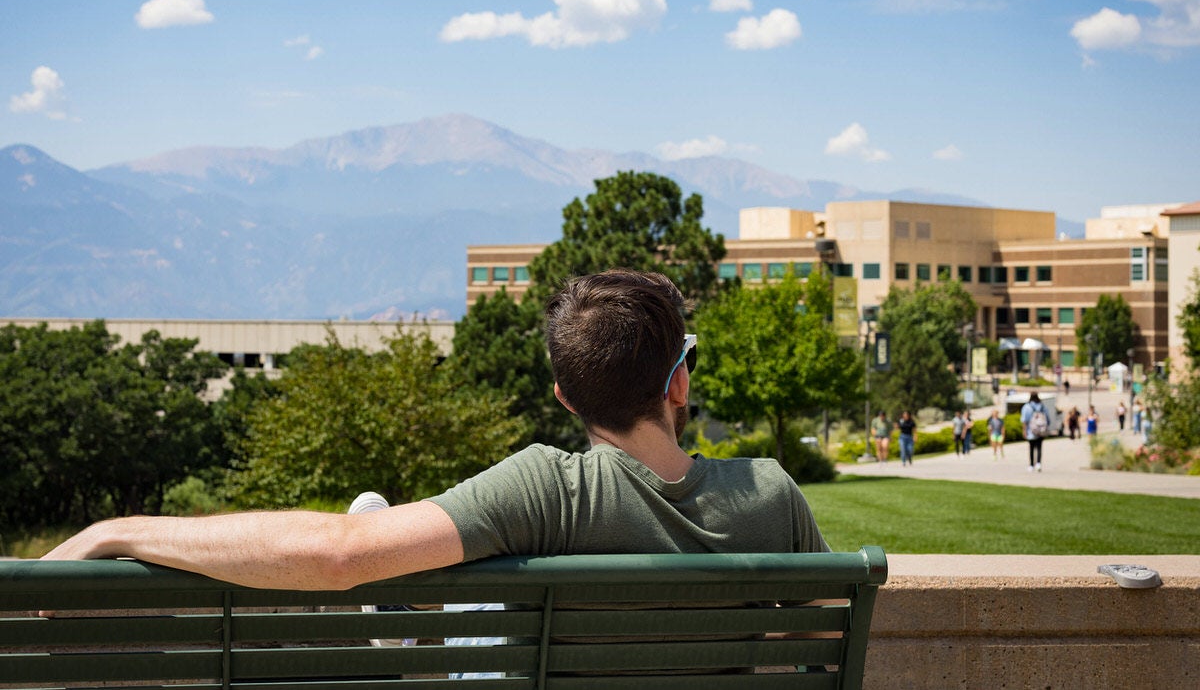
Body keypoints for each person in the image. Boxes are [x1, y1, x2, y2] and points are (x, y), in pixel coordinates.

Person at [41, 269, 828, 590]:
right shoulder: (773, 495)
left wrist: (121, 528)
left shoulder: (548, 490)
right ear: (679, 382)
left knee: (381, 539)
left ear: (565, 397)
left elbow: (338, 556)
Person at [1020, 392, 1049, 472]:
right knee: (1039, 447)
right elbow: (1047, 418)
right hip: (1041, 430)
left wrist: (1024, 430)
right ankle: (1038, 463)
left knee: (1031, 448)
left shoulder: (1027, 407)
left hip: (1031, 431)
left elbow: (1024, 420)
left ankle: (1031, 464)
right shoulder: (1042, 406)